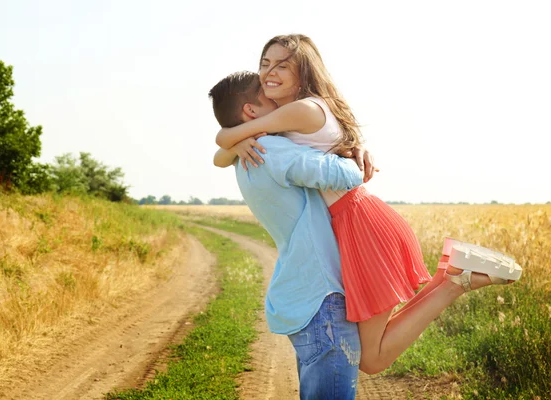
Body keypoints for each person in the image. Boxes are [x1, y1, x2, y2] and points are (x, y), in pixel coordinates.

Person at [213, 34, 521, 376]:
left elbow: (223, 140)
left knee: (371, 359)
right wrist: (239, 144)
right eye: (265, 64)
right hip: (355, 220)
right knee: (370, 354)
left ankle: (453, 283)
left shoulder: (301, 110)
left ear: (304, 71)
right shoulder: (300, 112)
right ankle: (454, 278)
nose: (270, 72)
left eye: (283, 64)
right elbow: (227, 148)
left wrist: (237, 141)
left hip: (361, 223)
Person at [209, 70, 372, 399]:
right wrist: (354, 154)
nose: (282, 101)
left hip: (305, 295)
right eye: (269, 97)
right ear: (251, 113)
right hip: (321, 298)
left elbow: (220, 154)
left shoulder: (248, 153)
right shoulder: (270, 148)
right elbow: (345, 176)